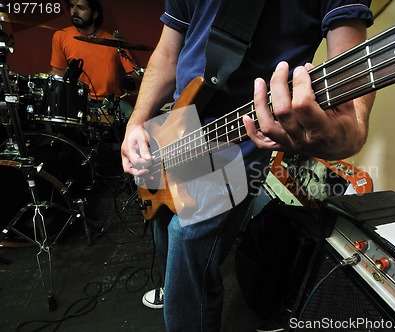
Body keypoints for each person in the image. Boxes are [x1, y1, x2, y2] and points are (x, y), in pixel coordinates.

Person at [121, 0, 375, 330]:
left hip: (237, 140)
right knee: (161, 219)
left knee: (187, 244)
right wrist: (136, 122)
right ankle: (176, 295)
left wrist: (351, 128)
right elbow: (169, 52)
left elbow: (351, 67)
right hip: (176, 124)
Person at [49, 0, 140, 121]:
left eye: (81, 8)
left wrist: (134, 79)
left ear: (95, 14)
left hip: (110, 102)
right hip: (78, 100)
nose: (74, 11)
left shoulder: (113, 42)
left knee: (134, 118)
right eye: (72, 6)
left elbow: (135, 74)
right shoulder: (61, 36)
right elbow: (58, 72)